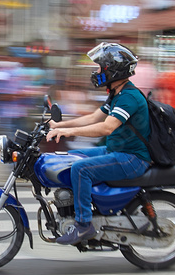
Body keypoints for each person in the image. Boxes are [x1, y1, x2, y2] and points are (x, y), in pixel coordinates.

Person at [45, 43, 151, 245]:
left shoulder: (129, 97)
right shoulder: (117, 94)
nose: (97, 72)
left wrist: (68, 132)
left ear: (113, 69)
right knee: (71, 158)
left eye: (100, 68)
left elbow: (105, 128)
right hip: (116, 150)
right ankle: (84, 206)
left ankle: (84, 225)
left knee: (80, 169)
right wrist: (60, 125)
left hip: (132, 158)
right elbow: (94, 117)